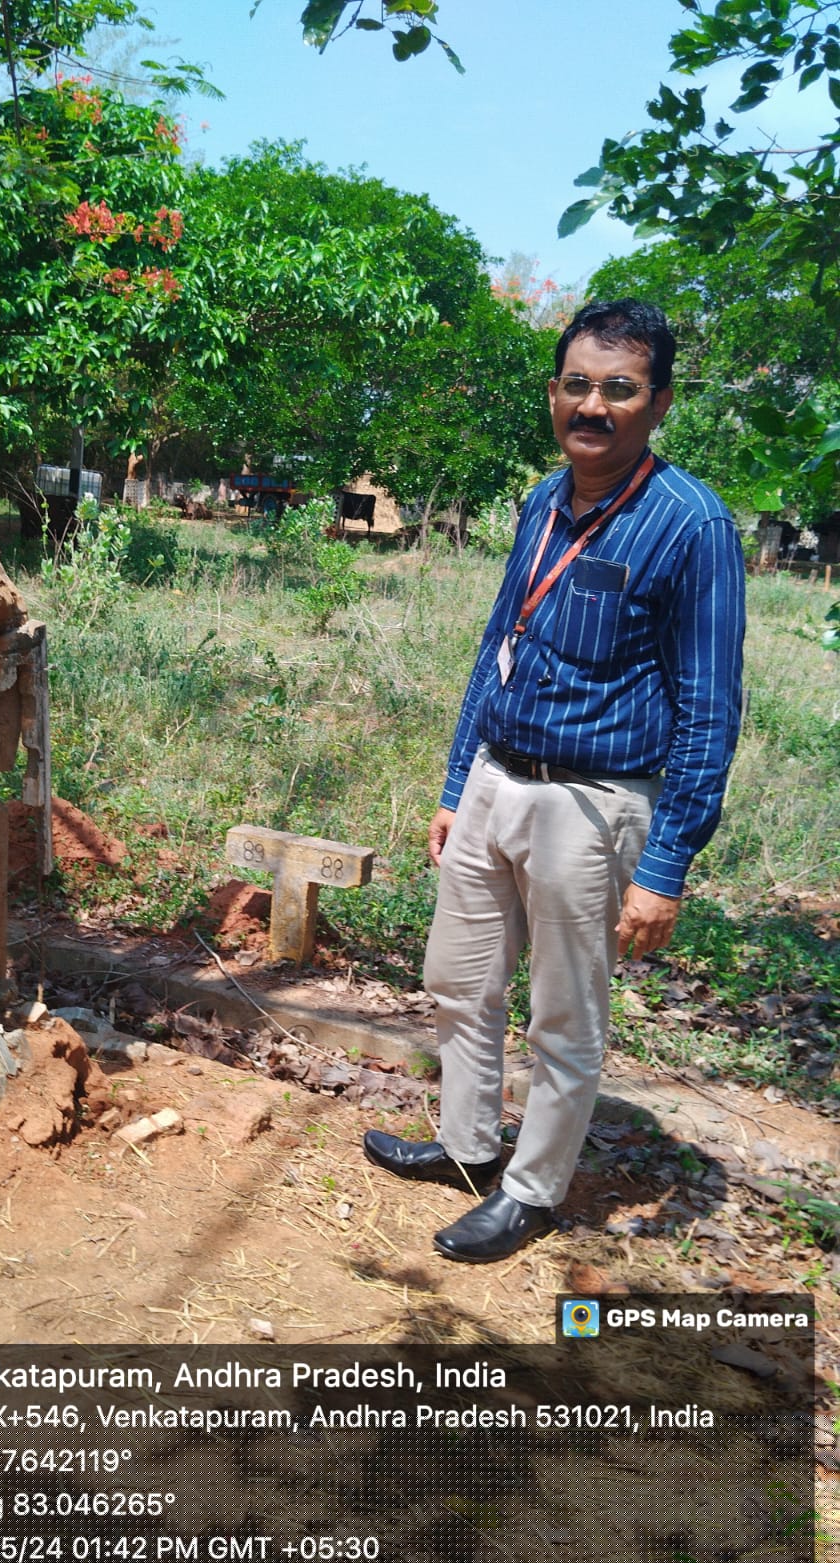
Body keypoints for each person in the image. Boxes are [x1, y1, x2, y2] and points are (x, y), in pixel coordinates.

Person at [363, 299, 745, 1263]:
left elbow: (711, 709)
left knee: (563, 1014)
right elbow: (501, 644)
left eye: (620, 389)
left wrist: (665, 870)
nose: (594, 405)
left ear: (658, 403)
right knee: (459, 982)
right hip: (497, 779)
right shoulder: (542, 500)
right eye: (578, 384)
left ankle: (531, 1192)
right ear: (554, 394)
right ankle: (465, 1146)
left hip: (595, 803)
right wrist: (457, 784)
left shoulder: (692, 526)